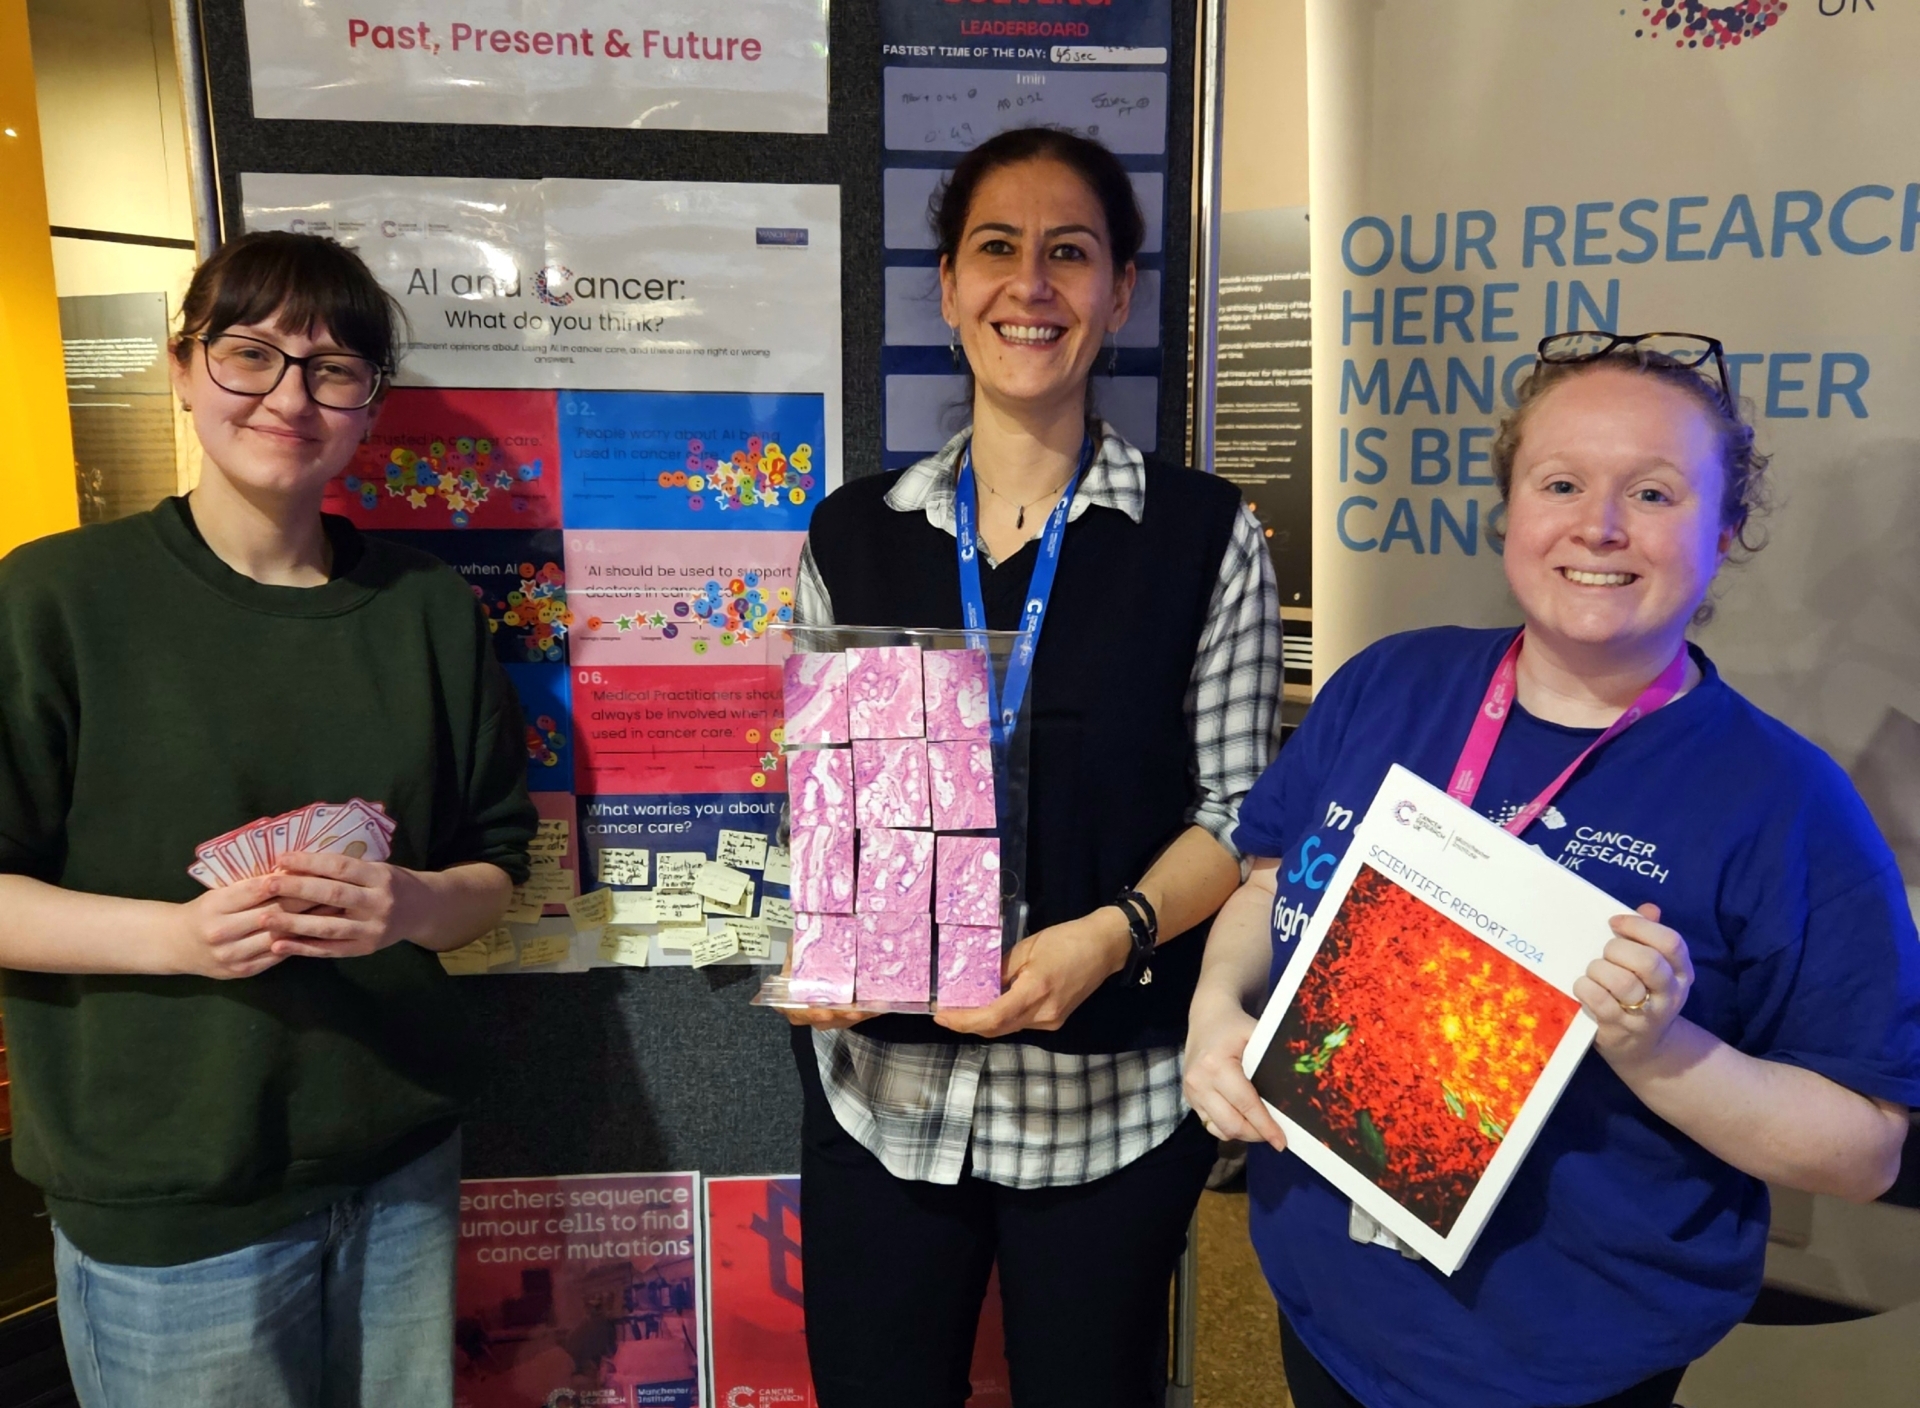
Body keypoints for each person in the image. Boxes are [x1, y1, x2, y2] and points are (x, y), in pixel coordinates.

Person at [1184, 331, 1920, 1408]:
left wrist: (1663, 1048)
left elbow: (1864, 1151)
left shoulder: (1787, 803)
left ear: (1727, 528)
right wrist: (1214, 1008)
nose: (1600, 524)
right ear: (1511, 510)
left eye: (1656, 493)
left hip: (1560, 1365)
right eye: (1562, 482)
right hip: (1325, 1308)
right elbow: (1264, 882)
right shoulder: (1390, 683)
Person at [784, 126, 1282, 1406]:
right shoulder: (856, 532)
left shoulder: (1203, 537)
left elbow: (1237, 813)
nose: (1032, 284)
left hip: (1109, 1108)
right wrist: (826, 942)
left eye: (1072, 252)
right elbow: (827, 801)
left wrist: (1111, 935)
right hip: (885, 1098)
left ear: (1120, 292)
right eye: (997, 249)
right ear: (947, 287)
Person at [0, 231, 537, 1406]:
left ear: (368, 406)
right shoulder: (55, 599)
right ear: (184, 365)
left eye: (334, 369)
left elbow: (497, 864)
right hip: (170, 1193)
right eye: (252, 354)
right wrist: (176, 939)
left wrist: (415, 904)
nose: (290, 396)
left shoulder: (426, 611)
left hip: (398, 1167)